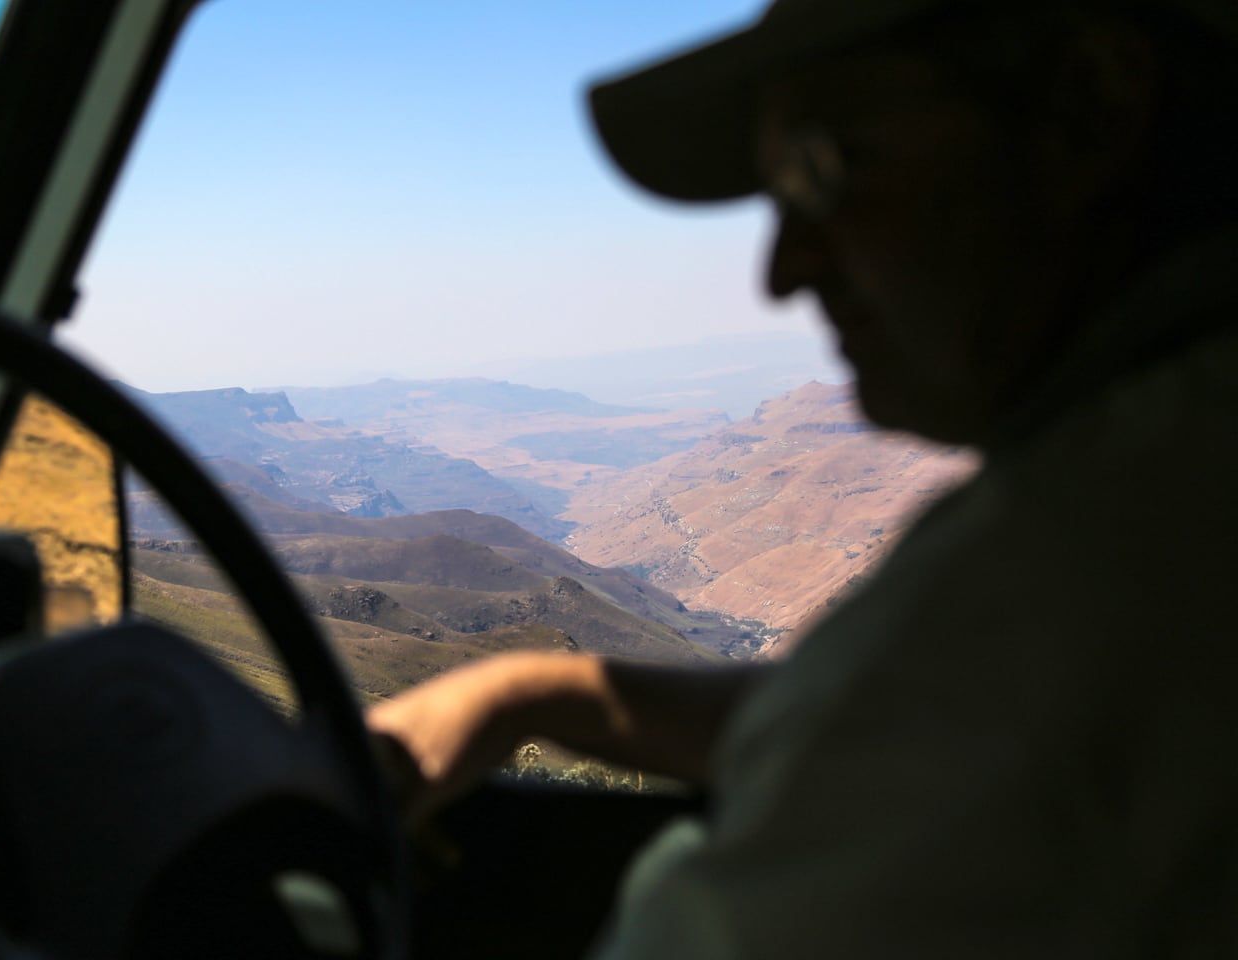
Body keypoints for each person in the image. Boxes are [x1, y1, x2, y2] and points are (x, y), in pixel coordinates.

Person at [369, 0, 1238, 954]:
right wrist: (542, 691)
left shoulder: (1077, 559)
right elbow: (887, 716)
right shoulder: (1170, 491)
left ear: (1092, 107)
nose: (781, 271)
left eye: (821, 168)